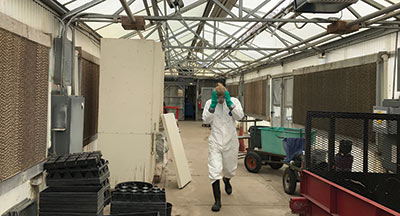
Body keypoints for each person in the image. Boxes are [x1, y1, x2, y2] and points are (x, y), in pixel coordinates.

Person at [202, 83, 244, 212]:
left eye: (222, 98)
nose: (221, 100)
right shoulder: (210, 103)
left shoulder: (233, 101)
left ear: (226, 95)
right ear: (215, 96)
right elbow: (205, 120)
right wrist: (213, 106)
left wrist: (230, 104)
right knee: (214, 170)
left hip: (230, 142)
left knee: (230, 170)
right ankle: (217, 201)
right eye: (218, 98)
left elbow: (240, 116)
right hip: (215, 141)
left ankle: (227, 179)